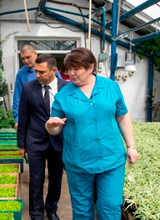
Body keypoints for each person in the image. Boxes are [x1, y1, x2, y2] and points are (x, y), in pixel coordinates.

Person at [45, 48, 139, 220]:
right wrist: (51, 126)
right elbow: (55, 127)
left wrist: (131, 146)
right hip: (79, 162)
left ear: (90, 67)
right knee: (82, 209)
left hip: (111, 160)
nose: (70, 74)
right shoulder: (64, 95)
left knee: (110, 207)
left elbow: (122, 115)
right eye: (68, 69)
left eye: (76, 69)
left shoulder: (110, 86)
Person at [18, 54, 68, 220]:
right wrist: (21, 144)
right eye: (35, 71)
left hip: (58, 142)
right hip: (35, 142)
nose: (37, 75)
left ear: (54, 70)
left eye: (41, 72)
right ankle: (36, 214)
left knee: (56, 179)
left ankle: (51, 209)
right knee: (36, 180)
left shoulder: (66, 88)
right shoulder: (27, 88)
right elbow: (23, 117)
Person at [12, 44, 61, 131]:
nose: (26, 61)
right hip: (34, 116)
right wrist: (17, 119)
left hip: (53, 114)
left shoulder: (50, 68)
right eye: (23, 58)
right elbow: (17, 98)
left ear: (35, 54)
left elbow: (61, 89)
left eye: (28, 57)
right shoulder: (21, 74)